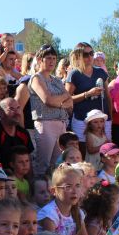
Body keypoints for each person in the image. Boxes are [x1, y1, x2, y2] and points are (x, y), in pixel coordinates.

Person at [30, 45, 73, 176]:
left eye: (54, 58)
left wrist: (58, 101)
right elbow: (48, 100)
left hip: (61, 124)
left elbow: (70, 101)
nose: (52, 61)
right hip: (45, 123)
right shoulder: (36, 78)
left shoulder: (56, 80)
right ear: (39, 59)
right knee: (42, 165)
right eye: (48, 58)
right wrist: (62, 100)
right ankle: (39, 189)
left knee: (58, 165)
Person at [65, 43, 109, 147]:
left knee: (104, 150)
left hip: (101, 120)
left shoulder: (101, 72)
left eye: (91, 53)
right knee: (82, 150)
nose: (89, 57)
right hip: (81, 120)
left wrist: (110, 117)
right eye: (85, 54)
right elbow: (66, 100)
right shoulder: (74, 74)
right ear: (78, 56)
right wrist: (87, 94)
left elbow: (108, 97)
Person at [38, 165, 87, 235]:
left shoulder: (78, 213)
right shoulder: (50, 214)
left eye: (77, 186)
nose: (74, 191)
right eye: (68, 187)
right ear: (54, 191)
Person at [0, 97, 34, 165]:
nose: (17, 112)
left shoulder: (23, 133)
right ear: (1, 112)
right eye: (11, 109)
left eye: (18, 108)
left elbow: (28, 162)